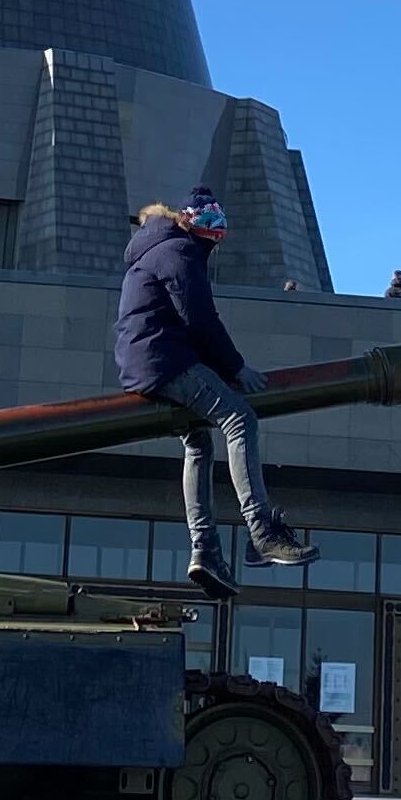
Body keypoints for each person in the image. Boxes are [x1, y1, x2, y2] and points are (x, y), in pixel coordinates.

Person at [114, 190, 313, 591]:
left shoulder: (154, 247)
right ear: (205, 233)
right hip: (164, 361)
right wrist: (236, 367)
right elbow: (201, 318)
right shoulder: (179, 251)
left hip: (143, 362)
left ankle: (205, 551)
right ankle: (262, 534)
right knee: (239, 419)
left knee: (198, 444)